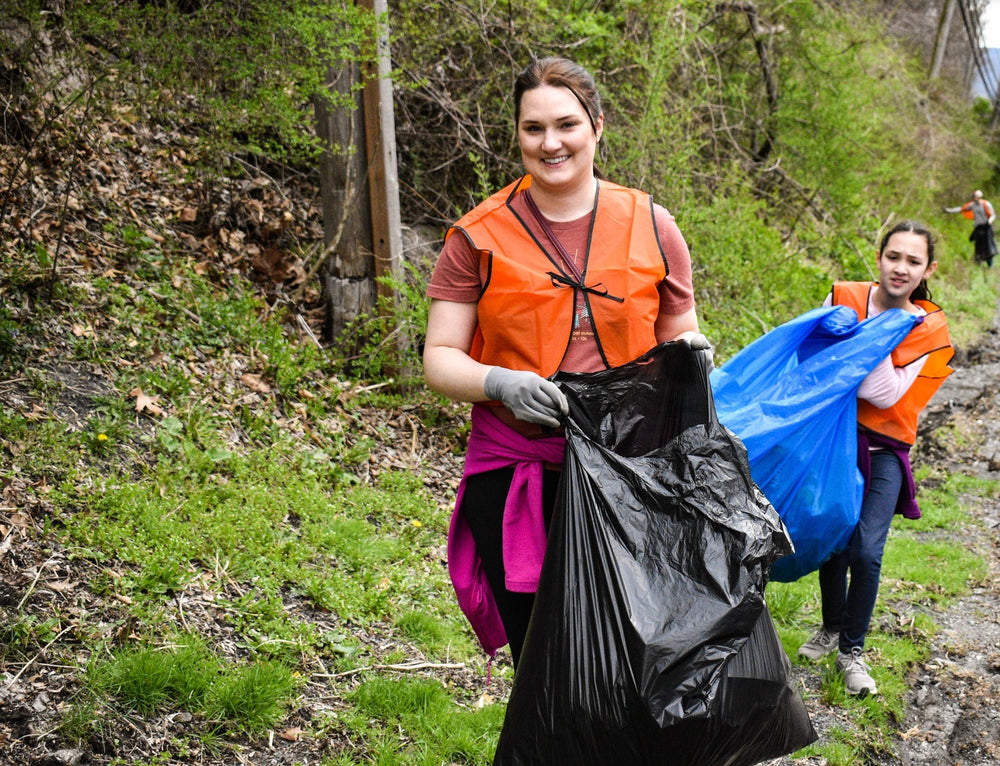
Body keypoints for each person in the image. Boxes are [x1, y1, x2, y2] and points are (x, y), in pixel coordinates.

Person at [422, 57, 706, 667]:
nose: (550, 143)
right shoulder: (475, 236)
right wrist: (500, 382)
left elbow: (678, 330)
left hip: (632, 472)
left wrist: (689, 356)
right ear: (517, 135)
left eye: (567, 124)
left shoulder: (654, 226)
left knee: (634, 653)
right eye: (532, 128)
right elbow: (439, 357)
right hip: (516, 472)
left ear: (597, 127)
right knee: (543, 660)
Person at [797, 220, 954, 696]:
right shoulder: (842, 294)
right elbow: (810, 356)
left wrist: (868, 335)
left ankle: (852, 652)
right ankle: (830, 628)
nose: (900, 268)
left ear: (928, 268)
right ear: (880, 256)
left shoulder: (929, 329)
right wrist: (850, 344)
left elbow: (881, 393)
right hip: (834, 440)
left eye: (913, 261)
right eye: (893, 257)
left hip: (886, 446)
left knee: (867, 548)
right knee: (836, 535)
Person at [944, 189, 996, 267]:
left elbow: (993, 215)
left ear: (979, 197)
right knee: (978, 246)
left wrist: (990, 220)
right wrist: (950, 210)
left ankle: (990, 265)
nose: (974, 198)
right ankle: (978, 263)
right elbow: (961, 209)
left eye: (975, 196)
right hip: (978, 228)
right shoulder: (972, 205)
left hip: (986, 228)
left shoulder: (986, 204)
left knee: (988, 246)